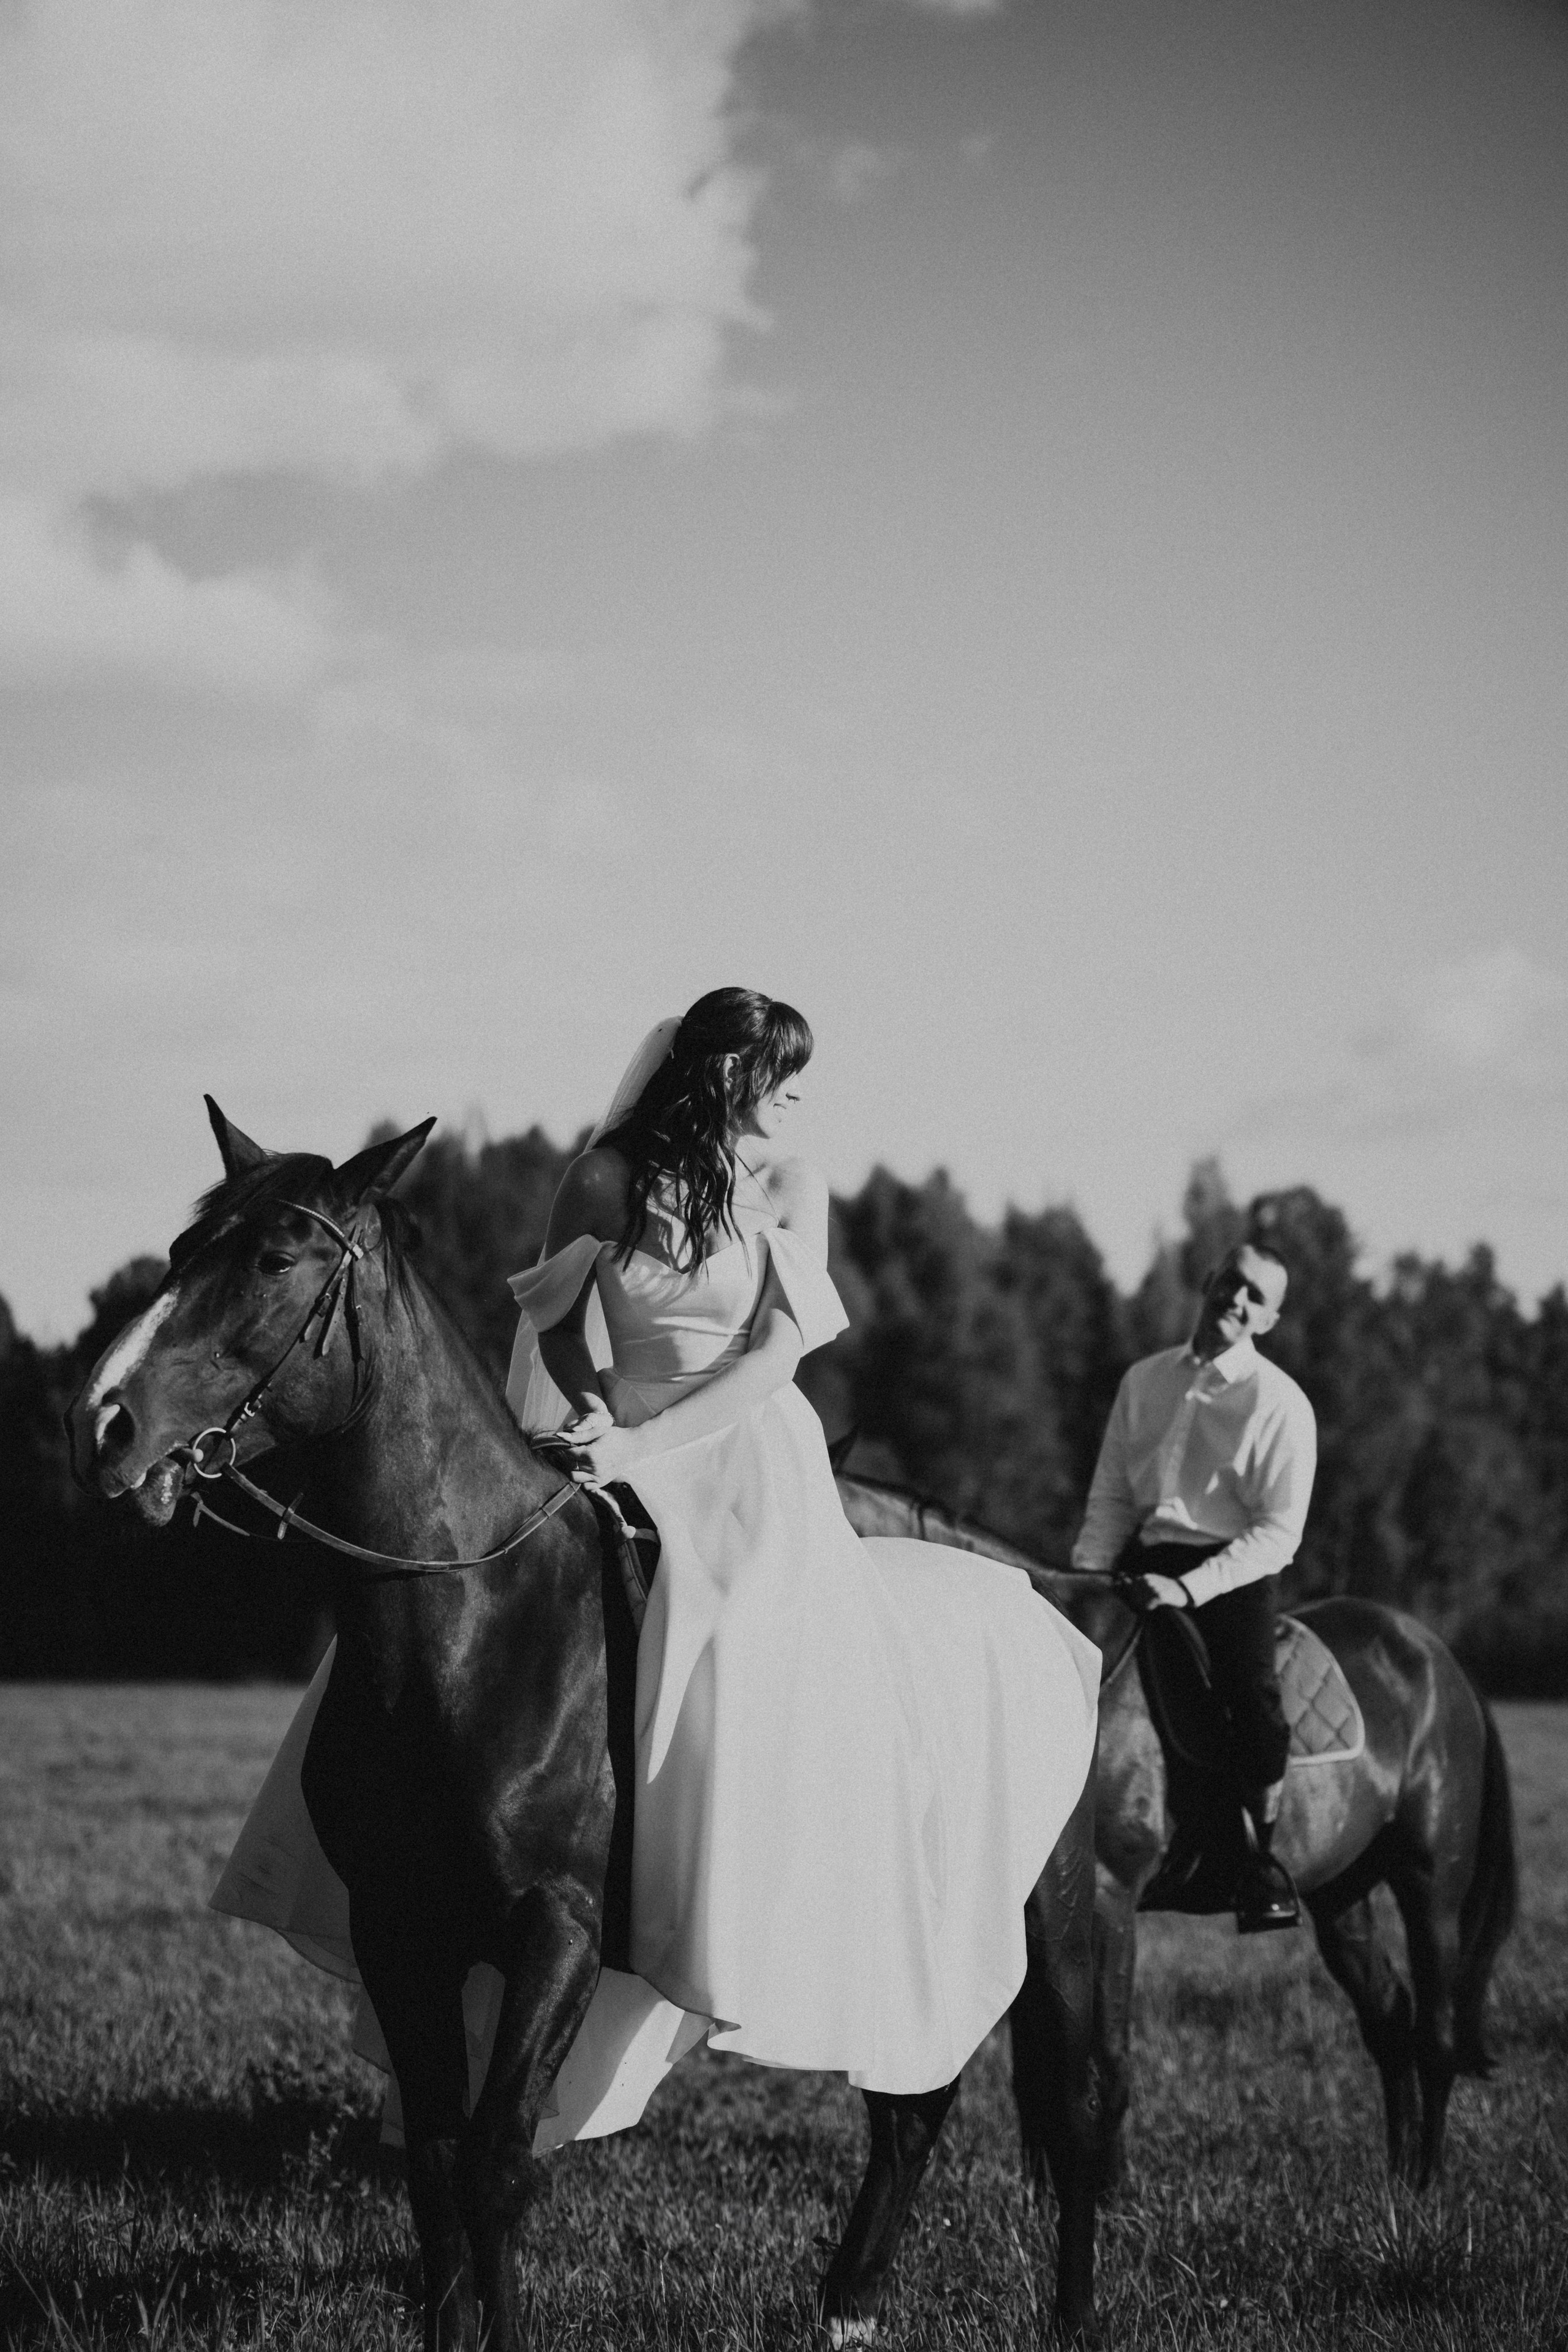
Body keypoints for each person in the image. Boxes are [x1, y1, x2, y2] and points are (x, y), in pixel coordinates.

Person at [214, 987, 1099, 2146]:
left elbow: (779, 1357)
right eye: (778, 1072)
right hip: (610, 1436)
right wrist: (593, 1417)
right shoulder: (601, 1181)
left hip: (744, 1462)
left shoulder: (793, 1183)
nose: (795, 1096)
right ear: (719, 1074)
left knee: (734, 1637)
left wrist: (646, 1440)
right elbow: (557, 1324)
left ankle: (726, 1903)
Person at [1070, 1239, 1317, 1932]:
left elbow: (1278, 1532)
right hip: (1140, 1562)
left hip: (1233, 1572)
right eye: (1231, 1283)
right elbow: (1112, 1500)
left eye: (1256, 1297)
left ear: (1268, 1320)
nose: (1237, 1300)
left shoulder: (1279, 1403)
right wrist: (1085, 1581)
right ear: (1209, 1282)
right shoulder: (1143, 1380)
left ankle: (1257, 1862)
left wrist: (1189, 1590)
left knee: (1252, 1704)